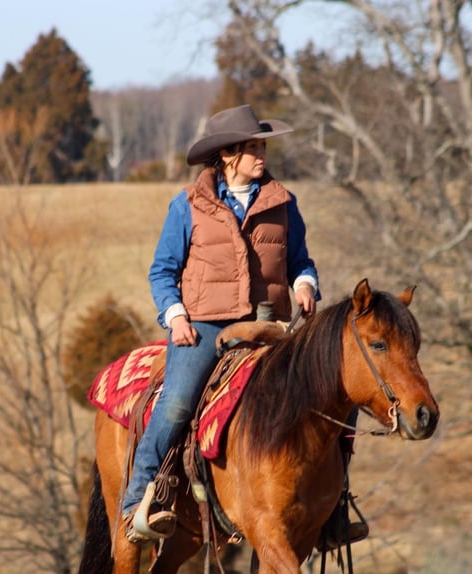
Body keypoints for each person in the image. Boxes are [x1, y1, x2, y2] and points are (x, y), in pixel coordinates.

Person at [122, 104, 366, 548]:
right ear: (229, 154)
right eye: (253, 147)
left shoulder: (283, 204)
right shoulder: (187, 205)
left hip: (269, 326)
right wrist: (176, 317)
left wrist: (305, 284)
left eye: (262, 146)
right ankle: (140, 498)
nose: (262, 155)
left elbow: (300, 260)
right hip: (204, 326)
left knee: (340, 396)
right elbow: (162, 271)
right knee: (177, 403)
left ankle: (333, 507)